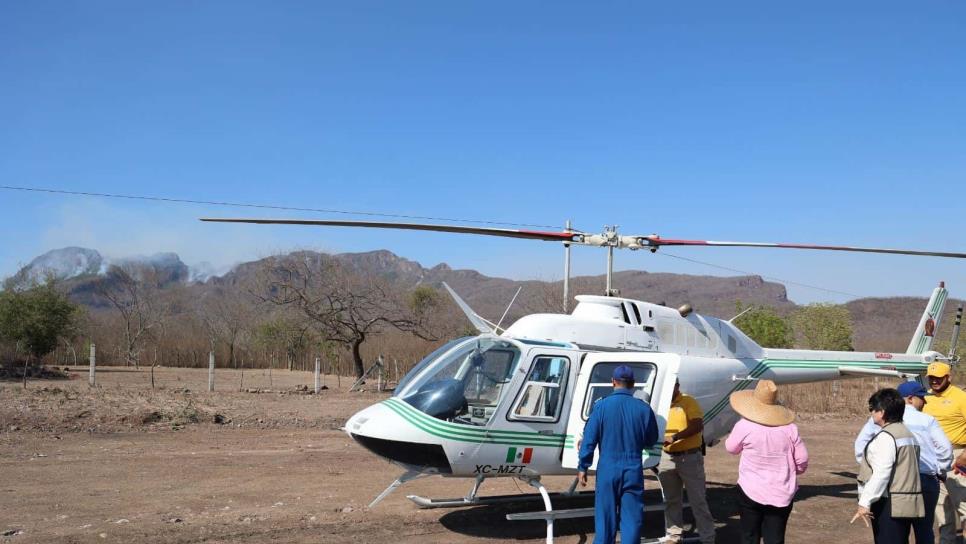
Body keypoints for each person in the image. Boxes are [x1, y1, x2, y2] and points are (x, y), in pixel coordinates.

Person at [855, 381, 953, 544]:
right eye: (922, 397)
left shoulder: (883, 429)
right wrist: (940, 470)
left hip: (893, 487)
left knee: (895, 533)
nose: (924, 401)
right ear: (910, 398)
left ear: (881, 411)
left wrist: (870, 465)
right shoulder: (924, 421)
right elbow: (945, 449)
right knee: (924, 531)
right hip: (925, 480)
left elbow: (862, 449)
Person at [577, 365, 659, 544]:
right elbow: (651, 439)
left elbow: (589, 439)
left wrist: (583, 465)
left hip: (608, 468)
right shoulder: (644, 409)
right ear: (633, 384)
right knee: (632, 519)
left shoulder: (601, 406)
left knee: (605, 518)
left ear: (613, 382)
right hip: (632, 468)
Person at [725, 379, 808, 544]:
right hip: (781, 491)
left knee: (749, 535)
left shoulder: (744, 426)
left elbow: (731, 448)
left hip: (750, 488)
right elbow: (802, 459)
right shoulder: (789, 428)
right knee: (775, 538)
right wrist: (793, 470)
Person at [852, 388, 925, 544]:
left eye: (872, 409)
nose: (871, 413)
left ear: (882, 412)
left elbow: (881, 473)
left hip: (889, 505)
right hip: (905, 503)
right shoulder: (907, 433)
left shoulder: (886, 437)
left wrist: (864, 502)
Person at [658, 380, 716, 544]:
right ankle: (674, 534)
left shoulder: (688, 401)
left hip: (689, 457)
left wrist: (674, 437)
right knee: (671, 499)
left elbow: (697, 425)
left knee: (698, 500)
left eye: (674, 385)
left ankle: (708, 537)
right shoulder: (660, 403)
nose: (671, 389)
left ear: (677, 386)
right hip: (666, 457)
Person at [922, 362, 966, 544]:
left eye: (939, 378)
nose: (934, 381)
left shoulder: (961, 397)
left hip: (958, 457)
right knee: (941, 509)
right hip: (933, 460)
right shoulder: (926, 398)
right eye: (931, 378)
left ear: (949, 377)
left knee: (963, 505)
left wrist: (965, 455)